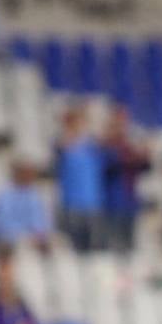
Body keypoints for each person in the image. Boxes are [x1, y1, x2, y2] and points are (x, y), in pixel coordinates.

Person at [101, 106, 151, 260]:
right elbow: (110, 167)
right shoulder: (107, 145)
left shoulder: (128, 146)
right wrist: (133, 158)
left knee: (129, 245)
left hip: (129, 200)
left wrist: (144, 156)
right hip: (112, 202)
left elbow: (144, 167)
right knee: (114, 244)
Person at [55, 106, 106, 252]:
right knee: (76, 248)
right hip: (72, 203)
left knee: (95, 248)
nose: (78, 126)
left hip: (93, 202)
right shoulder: (63, 144)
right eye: (75, 122)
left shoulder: (92, 145)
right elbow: (61, 150)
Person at [0, 158, 52, 252]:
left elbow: (39, 220)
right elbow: (2, 223)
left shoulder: (34, 194)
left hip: (31, 239)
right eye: (25, 173)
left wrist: (38, 235)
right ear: (17, 173)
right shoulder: (5, 194)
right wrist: (23, 236)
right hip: (10, 239)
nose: (29, 176)